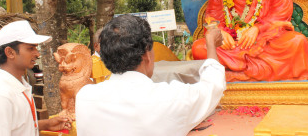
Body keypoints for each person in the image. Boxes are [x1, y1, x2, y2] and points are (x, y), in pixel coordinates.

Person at [76, 14, 225, 136]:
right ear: (147, 55)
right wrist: (210, 43)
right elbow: (213, 85)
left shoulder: (84, 97)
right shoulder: (172, 98)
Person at [0, 20, 72, 136]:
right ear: (10, 52)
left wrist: (46, 124)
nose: (37, 54)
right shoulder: (0, 96)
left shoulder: (19, 86)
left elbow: (18, 126)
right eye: (31, 48)